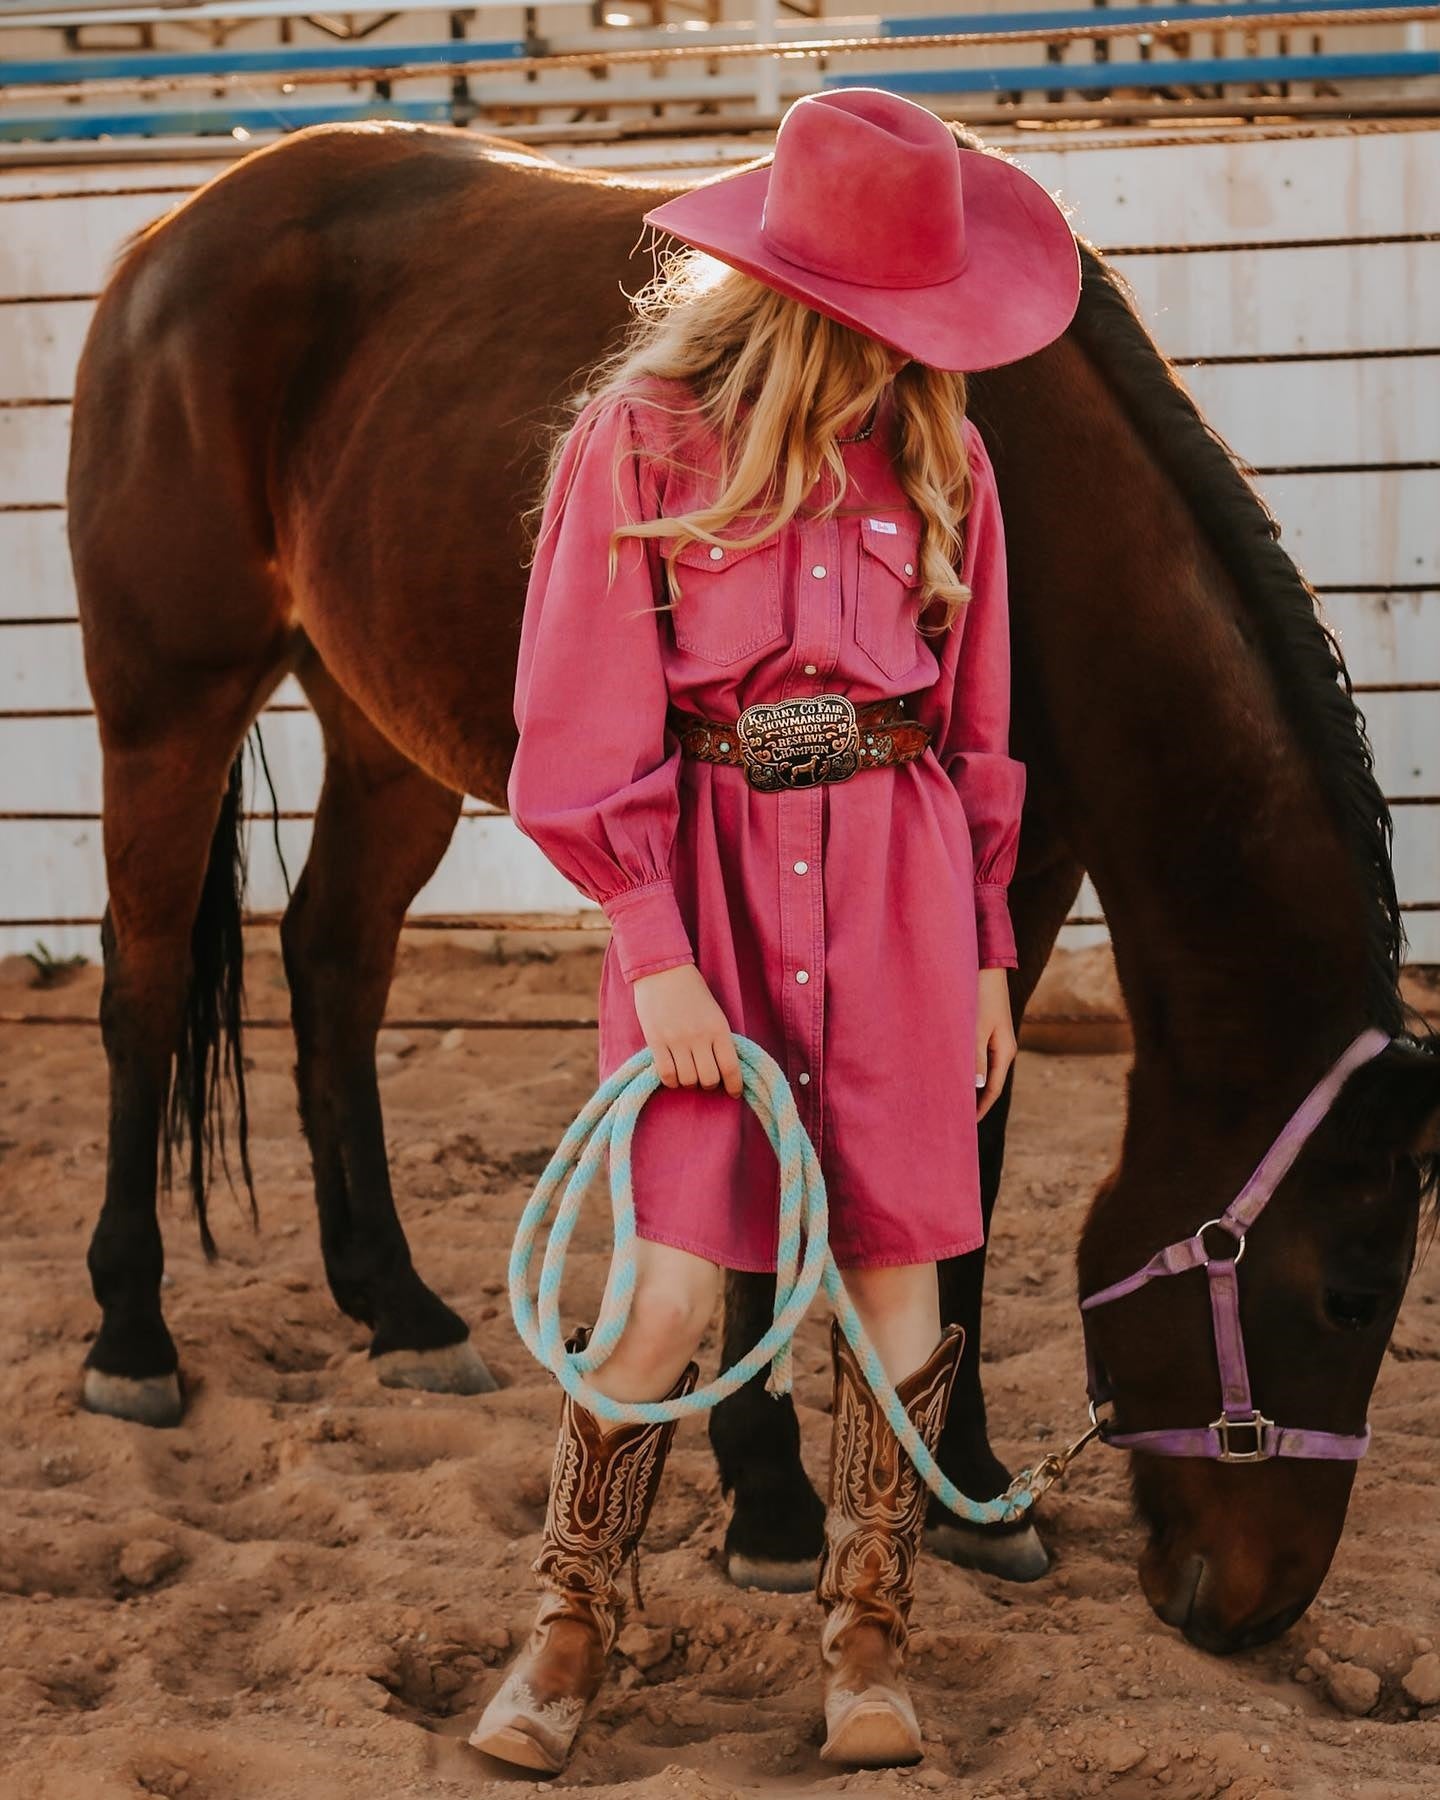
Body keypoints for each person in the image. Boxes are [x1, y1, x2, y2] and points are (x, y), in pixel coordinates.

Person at [469, 86, 1080, 1775]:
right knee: (667, 1288)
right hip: (712, 899)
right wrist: (655, 950)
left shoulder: (946, 457)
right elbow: (580, 728)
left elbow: (973, 726)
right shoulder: (644, 442)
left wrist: (981, 956)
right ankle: (570, 1629)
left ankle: (867, 1636)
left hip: (897, 883)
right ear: (804, 301)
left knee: (899, 1273)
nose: (921, 351)